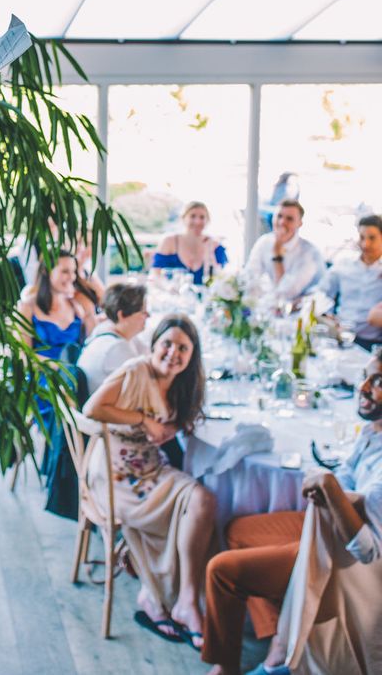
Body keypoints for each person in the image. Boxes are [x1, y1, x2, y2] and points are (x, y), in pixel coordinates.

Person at [202, 350, 382, 675]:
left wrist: (328, 485)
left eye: (378, 381)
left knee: (221, 571)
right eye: (367, 376)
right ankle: (278, 633)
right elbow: (348, 476)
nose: (364, 387)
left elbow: (369, 552)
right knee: (237, 530)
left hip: (339, 562)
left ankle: (230, 666)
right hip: (320, 529)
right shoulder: (372, 432)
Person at [83, 314, 216, 650]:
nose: (173, 353)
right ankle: (155, 595)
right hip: (115, 473)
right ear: (154, 344)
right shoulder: (135, 370)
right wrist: (142, 419)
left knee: (203, 500)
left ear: (192, 356)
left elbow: (175, 425)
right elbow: (92, 408)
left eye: (182, 348)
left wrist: (169, 428)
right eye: (167, 344)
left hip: (151, 468)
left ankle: (187, 600)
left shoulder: (184, 385)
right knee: (182, 507)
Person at [17, 250, 95, 519]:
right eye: (64, 271)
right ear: (47, 272)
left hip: (72, 376)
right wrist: (55, 368)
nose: (70, 277)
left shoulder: (77, 304)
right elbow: (24, 356)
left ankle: (90, 474)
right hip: (42, 379)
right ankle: (67, 480)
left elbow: (91, 344)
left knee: (90, 400)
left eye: (73, 272)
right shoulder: (28, 306)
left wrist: (90, 315)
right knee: (68, 407)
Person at [317, 214, 382, 351]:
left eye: (372, 238)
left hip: (371, 344)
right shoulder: (344, 264)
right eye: (362, 237)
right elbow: (322, 292)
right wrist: (327, 315)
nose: (365, 244)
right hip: (339, 335)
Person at [244, 200, 324, 304]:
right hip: (269, 307)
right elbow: (250, 278)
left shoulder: (310, 253)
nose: (282, 222)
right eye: (279, 216)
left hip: (298, 313)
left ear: (299, 223)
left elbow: (285, 293)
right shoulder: (264, 242)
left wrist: (277, 255)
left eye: (289, 219)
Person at [78, 282, 149, 394]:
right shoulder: (116, 348)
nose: (148, 316)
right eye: (143, 312)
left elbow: (148, 354)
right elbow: (143, 384)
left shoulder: (106, 330)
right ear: (122, 315)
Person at [152, 201, 228, 285]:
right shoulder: (169, 241)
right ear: (184, 218)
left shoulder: (215, 245)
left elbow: (221, 279)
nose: (197, 221)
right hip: (173, 296)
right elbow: (155, 275)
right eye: (193, 216)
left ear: (207, 220)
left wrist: (209, 252)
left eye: (202, 217)